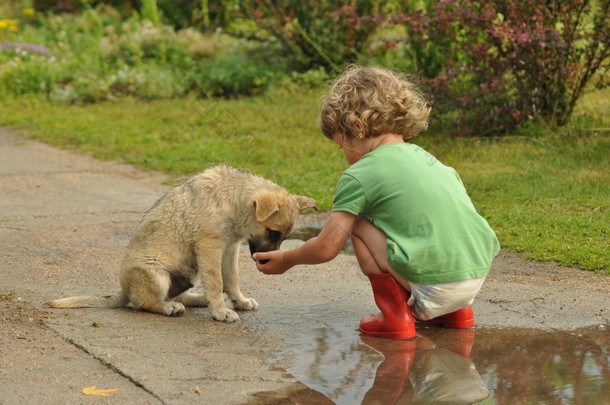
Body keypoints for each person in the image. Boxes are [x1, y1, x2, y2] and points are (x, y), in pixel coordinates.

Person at [253, 65, 500, 340]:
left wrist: (288, 259)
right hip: (474, 278)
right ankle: (455, 315)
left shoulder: (360, 174)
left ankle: (395, 318)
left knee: (358, 220)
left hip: (434, 286)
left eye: (341, 145)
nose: (344, 154)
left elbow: (327, 247)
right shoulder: (431, 161)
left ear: (356, 128)